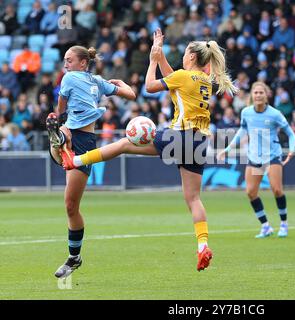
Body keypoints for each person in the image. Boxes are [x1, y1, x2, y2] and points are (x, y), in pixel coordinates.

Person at [60, 29, 238, 272]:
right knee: (194, 198)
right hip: (199, 142)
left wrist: (153, 61)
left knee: (124, 144)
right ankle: (202, 246)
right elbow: (174, 77)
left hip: (179, 136)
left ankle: (77, 160)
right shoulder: (204, 80)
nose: (183, 57)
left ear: (192, 58)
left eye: (186, 53)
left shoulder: (184, 76)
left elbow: (150, 86)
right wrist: (159, 51)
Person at [45, 45, 136, 278]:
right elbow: (131, 94)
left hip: (84, 141)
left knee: (70, 205)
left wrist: (61, 115)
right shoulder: (91, 80)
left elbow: (61, 106)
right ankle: (61, 142)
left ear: (83, 62)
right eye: (65, 60)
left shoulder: (91, 80)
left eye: (70, 60)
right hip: (73, 129)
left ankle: (74, 258)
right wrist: (121, 84)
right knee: (63, 129)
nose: (66, 64)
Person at [218, 82, 295, 238]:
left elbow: (291, 133)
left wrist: (291, 151)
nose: (258, 95)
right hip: (255, 158)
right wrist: (228, 149)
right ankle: (265, 226)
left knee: (277, 190)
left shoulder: (275, 114)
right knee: (251, 192)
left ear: (267, 95)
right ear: (252, 96)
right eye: (256, 92)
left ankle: (283, 224)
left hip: (272, 156)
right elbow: (242, 131)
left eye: (261, 92)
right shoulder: (246, 112)